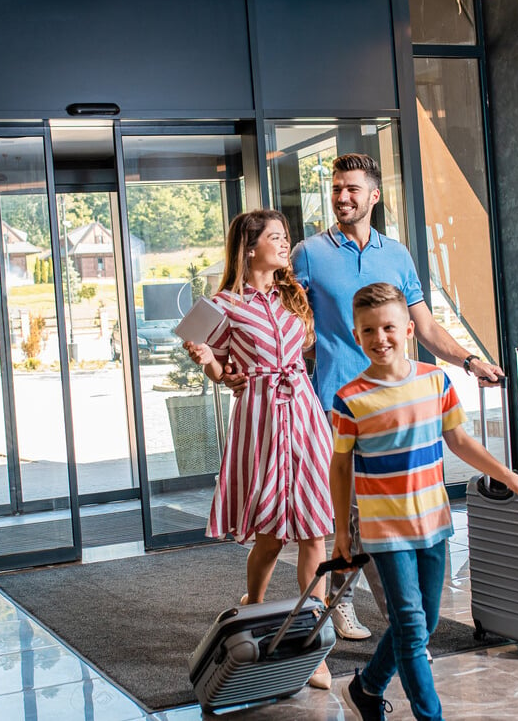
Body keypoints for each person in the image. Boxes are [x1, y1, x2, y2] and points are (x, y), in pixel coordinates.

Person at [293, 152, 506, 640]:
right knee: (350, 512)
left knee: (387, 509)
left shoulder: (398, 255)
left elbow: (424, 326)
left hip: (399, 399)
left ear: (374, 195)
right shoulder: (308, 253)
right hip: (337, 401)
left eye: (351, 189)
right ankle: (384, 621)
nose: (342, 197)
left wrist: (469, 362)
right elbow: (295, 324)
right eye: (336, 188)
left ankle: (386, 616)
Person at [330, 283, 518, 721]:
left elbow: (460, 442)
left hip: (434, 522)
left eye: (389, 327)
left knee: (425, 622)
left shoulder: (435, 381)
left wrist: (508, 475)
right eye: (368, 330)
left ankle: (368, 686)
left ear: (409, 329)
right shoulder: (349, 399)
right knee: (412, 628)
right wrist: (341, 531)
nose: (380, 338)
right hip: (383, 531)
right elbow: (340, 468)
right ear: (356, 337)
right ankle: (430, 716)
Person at [183, 209, 336, 690]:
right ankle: (254, 605)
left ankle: (311, 640)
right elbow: (222, 371)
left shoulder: (294, 296)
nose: (285, 244)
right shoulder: (224, 305)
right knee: (271, 532)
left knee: (315, 530)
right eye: (276, 237)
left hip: (305, 414)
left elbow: (305, 348)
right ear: (249, 248)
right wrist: (208, 359)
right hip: (261, 416)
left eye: (286, 236)